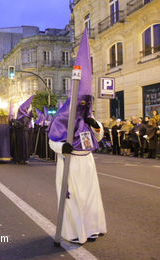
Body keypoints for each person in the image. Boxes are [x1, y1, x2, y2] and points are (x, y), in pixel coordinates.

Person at [48, 29, 106, 244]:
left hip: (87, 161)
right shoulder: (63, 116)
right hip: (69, 163)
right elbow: (53, 140)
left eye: (86, 102)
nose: (84, 105)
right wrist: (60, 147)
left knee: (90, 197)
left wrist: (96, 126)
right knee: (73, 198)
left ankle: (91, 228)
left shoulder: (88, 117)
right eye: (80, 101)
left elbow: (98, 137)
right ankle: (74, 232)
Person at [11, 96, 33, 164]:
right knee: (18, 146)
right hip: (19, 133)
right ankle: (18, 158)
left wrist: (15, 122)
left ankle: (23, 159)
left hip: (23, 133)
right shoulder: (19, 116)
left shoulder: (25, 116)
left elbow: (22, 124)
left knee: (23, 146)